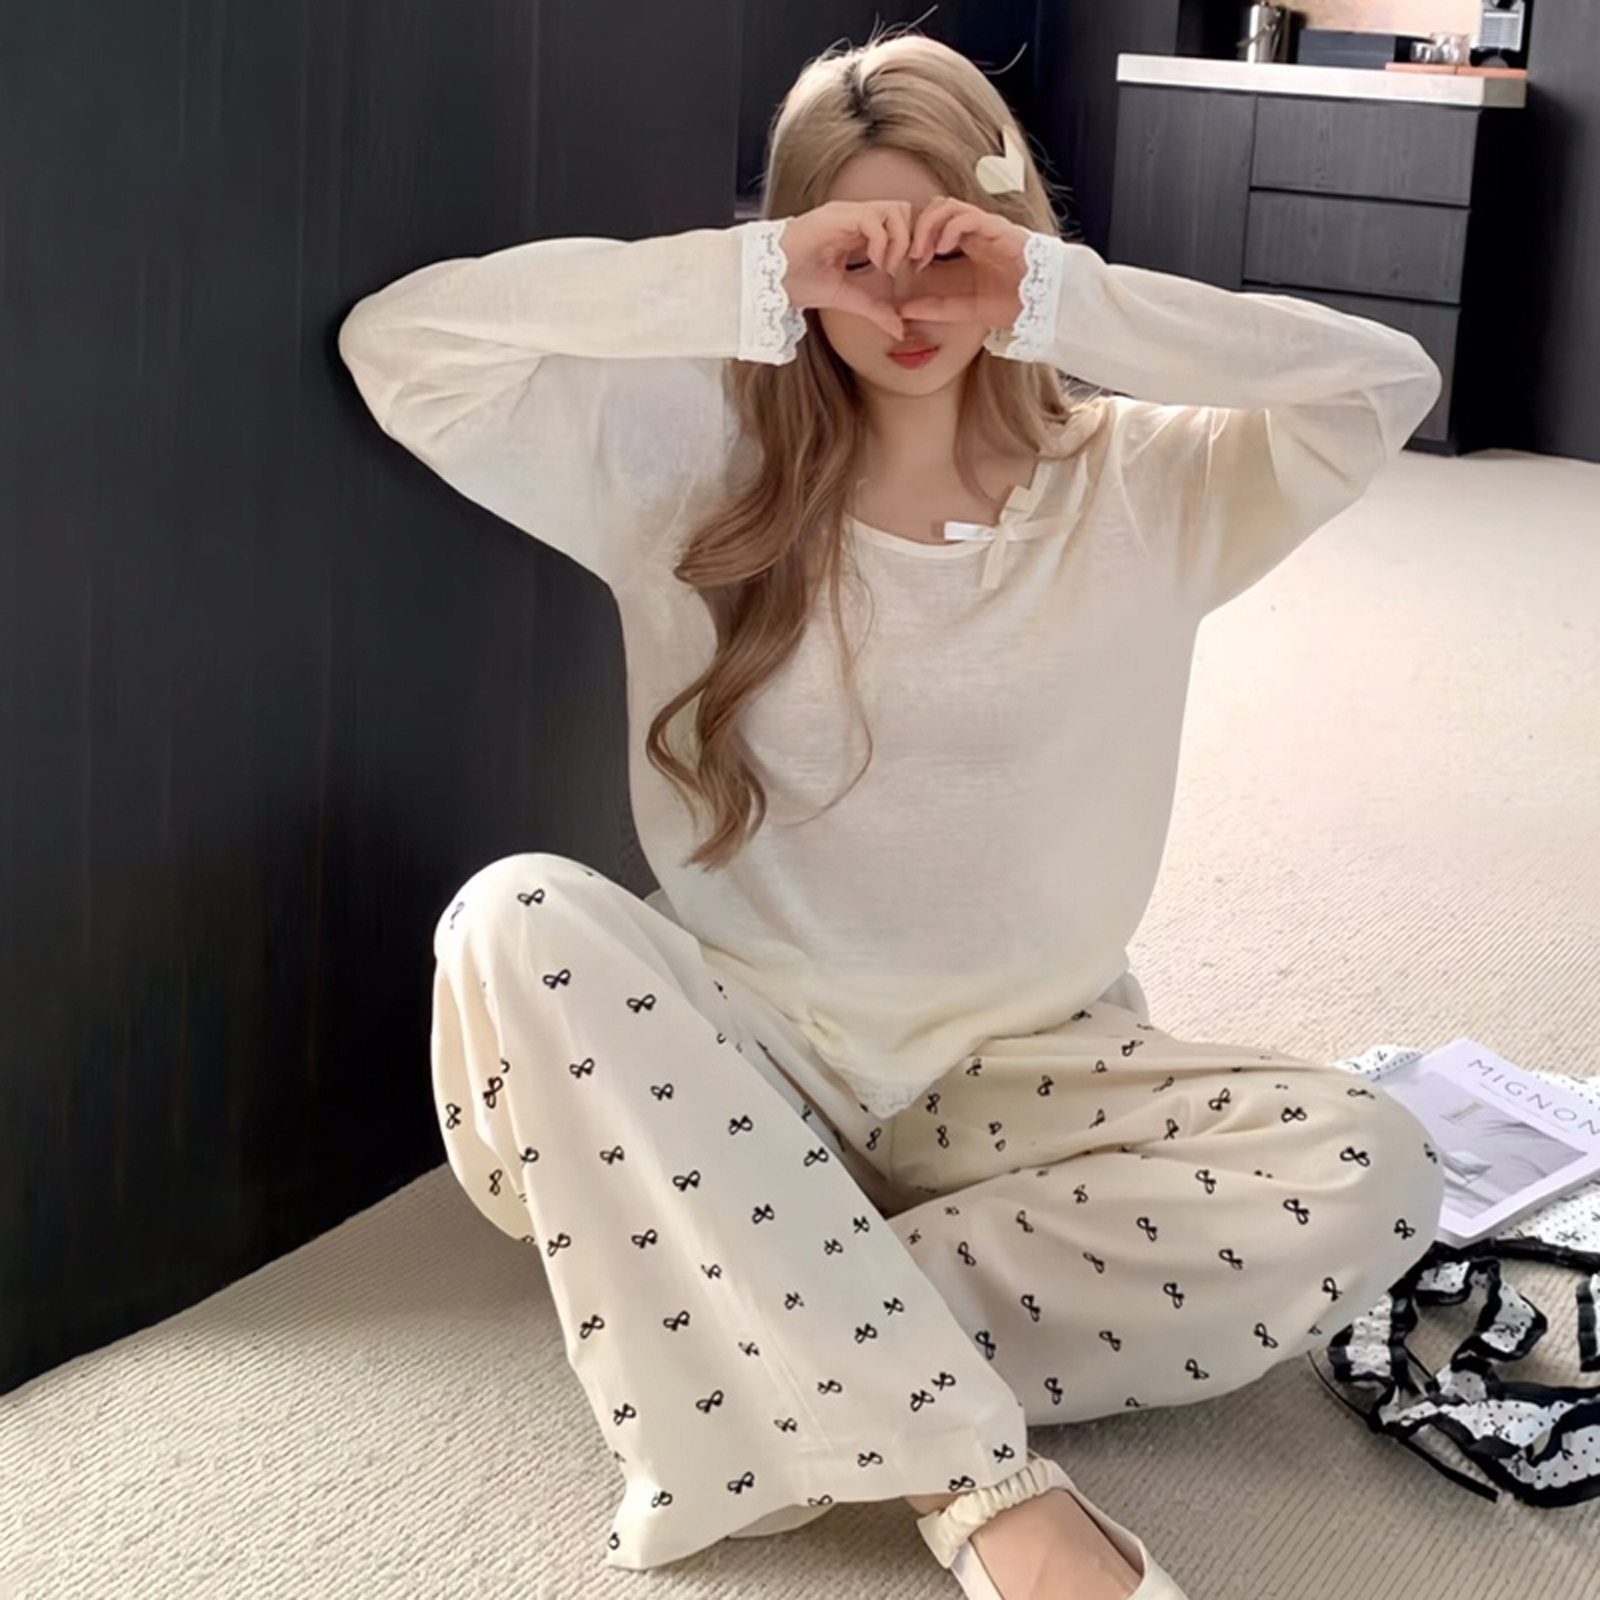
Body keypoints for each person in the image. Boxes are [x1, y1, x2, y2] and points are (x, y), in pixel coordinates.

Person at [337, 28, 1448, 1600]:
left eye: (949, 255)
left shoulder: (1152, 486)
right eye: (858, 259)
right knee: (512, 919)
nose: (909, 306)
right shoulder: (682, 458)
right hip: (737, 1052)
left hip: (1027, 1073)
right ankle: (976, 1482)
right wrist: (750, 274)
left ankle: (731, 1304)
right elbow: (407, 349)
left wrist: (1055, 299)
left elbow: (1384, 383)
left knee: (1373, 1166)